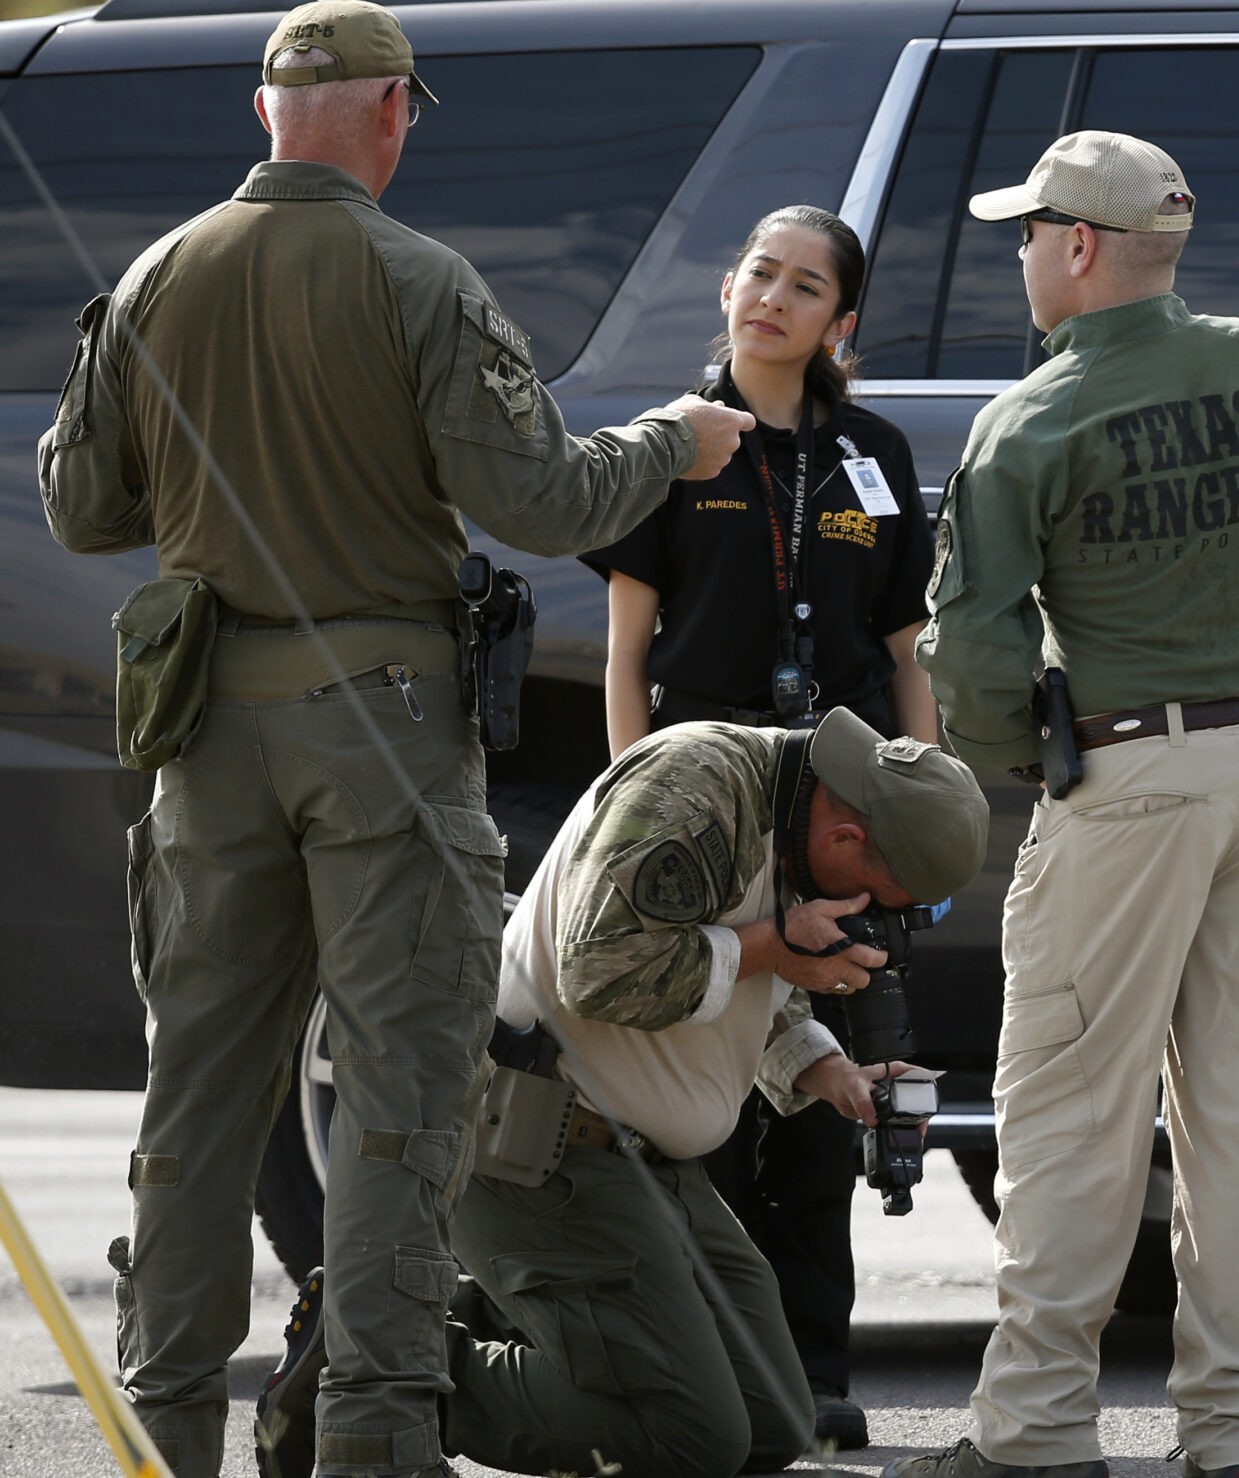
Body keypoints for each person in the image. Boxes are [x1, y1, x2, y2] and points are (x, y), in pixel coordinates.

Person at [31, 2, 753, 1475]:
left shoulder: (156, 275)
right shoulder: (419, 278)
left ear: (263, 111)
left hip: (202, 741)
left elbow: (80, 508)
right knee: (397, 1094)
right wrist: (676, 441)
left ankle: (162, 1430)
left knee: (201, 1094)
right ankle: (373, 1431)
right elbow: (546, 500)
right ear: (391, 114)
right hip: (386, 737)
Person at [897, 131, 1239, 1478]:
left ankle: (1034, 1433)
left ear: (1080, 248)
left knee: (1072, 1113)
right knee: (1238, 1122)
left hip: (1128, 771)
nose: (1022, 255)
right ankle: (1234, 1433)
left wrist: (1024, 766)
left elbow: (966, 642)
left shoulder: (1031, 416)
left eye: (1030, 233)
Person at [397, 709, 982, 1478]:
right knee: (693, 1436)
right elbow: (597, 968)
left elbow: (753, 976)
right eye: (881, 897)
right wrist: (775, 947)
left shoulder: (796, 818)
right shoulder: (697, 791)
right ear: (846, 840)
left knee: (774, 1415)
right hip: (542, 1149)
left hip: (647, 1165)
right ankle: (383, 1362)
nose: (876, 924)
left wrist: (833, 1073)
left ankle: (486, 1314)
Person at [581, 202, 937, 1450]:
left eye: (803, 286)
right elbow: (630, 650)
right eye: (757, 274)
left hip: (838, 813)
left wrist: (922, 808)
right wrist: (634, 810)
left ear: (839, 321)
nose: (771, 298)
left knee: (825, 1096)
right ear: (727, 288)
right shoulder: (673, 444)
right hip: (705, 794)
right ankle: (720, 1374)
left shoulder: (874, 452)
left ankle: (814, 1370)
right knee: (713, 1097)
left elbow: (904, 653)